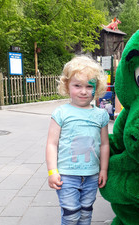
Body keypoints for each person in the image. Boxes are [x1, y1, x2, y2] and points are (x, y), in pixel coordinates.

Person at [46, 55, 110, 225]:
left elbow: (104, 144)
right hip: (67, 175)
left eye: (89, 86)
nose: (83, 91)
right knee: (71, 215)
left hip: (91, 175)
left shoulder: (101, 115)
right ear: (67, 86)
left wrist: (103, 170)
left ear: (97, 88)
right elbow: (52, 144)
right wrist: (52, 171)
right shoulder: (61, 113)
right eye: (77, 86)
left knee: (86, 213)